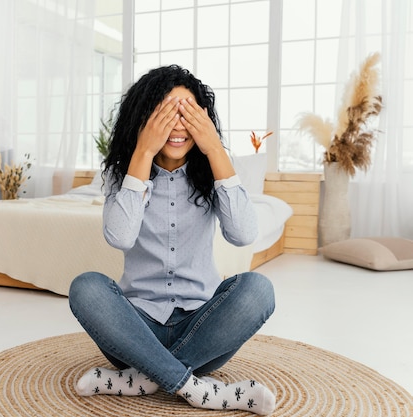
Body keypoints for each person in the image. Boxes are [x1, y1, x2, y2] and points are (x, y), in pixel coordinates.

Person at [68, 65, 276, 415]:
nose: (178, 124)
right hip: (136, 331)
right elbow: (119, 236)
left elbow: (243, 235)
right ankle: (199, 389)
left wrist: (215, 150)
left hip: (202, 329)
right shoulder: (122, 173)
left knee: (259, 289)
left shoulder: (213, 170)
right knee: (86, 287)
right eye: (166, 112)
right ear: (144, 118)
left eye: (188, 113)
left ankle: (144, 379)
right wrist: (143, 153)